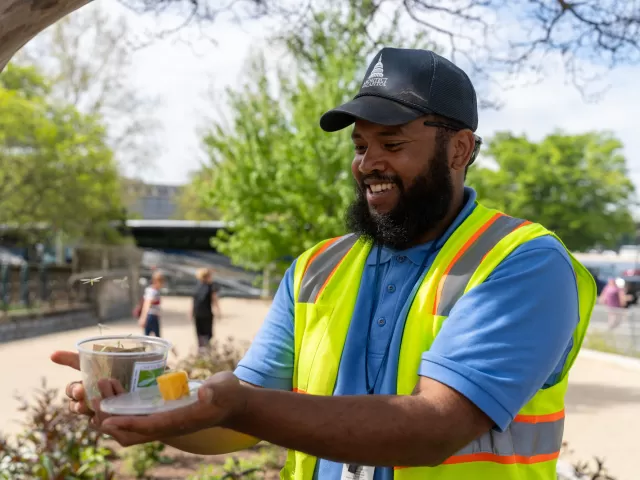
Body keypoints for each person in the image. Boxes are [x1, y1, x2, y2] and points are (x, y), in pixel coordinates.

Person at [52, 47, 596, 480]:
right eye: (360, 146)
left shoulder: (522, 264)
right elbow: (237, 426)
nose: (368, 164)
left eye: (392, 142)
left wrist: (237, 406)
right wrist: (143, 412)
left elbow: (435, 428)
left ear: (459, 150)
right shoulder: (317, 268)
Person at [192, 267, 222, 349]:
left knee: (200, 332)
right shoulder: (211, 287)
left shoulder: (197, 287)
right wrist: (218, 311)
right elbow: (214, 300)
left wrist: (191, 312)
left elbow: (194, 300)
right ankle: (205, 347)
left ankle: (201, 347)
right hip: (206, 313)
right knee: (208, 333)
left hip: (198, 313)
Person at [138, 270, 164, 337]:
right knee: (147, 338)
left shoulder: (156, 291)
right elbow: (147, 304)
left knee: (157, 338)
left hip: (155, 317)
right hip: (150, 317)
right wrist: (143, 318)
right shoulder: (151, 291)